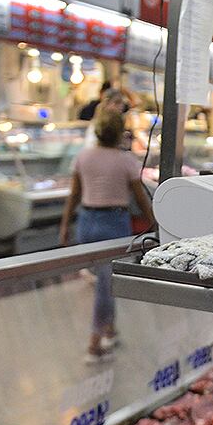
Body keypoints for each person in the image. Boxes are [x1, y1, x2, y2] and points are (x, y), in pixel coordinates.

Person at [60, 109, 155, 360]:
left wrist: (64, 226)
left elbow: (74, 195)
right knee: (106, 284)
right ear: (118, 132)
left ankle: (110, 330)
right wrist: (154, 223)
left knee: (103, 281)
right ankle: (94, 342)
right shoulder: (125, 160)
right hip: (113, 224)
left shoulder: (83, 157)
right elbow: (140, 198)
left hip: (86, 222)